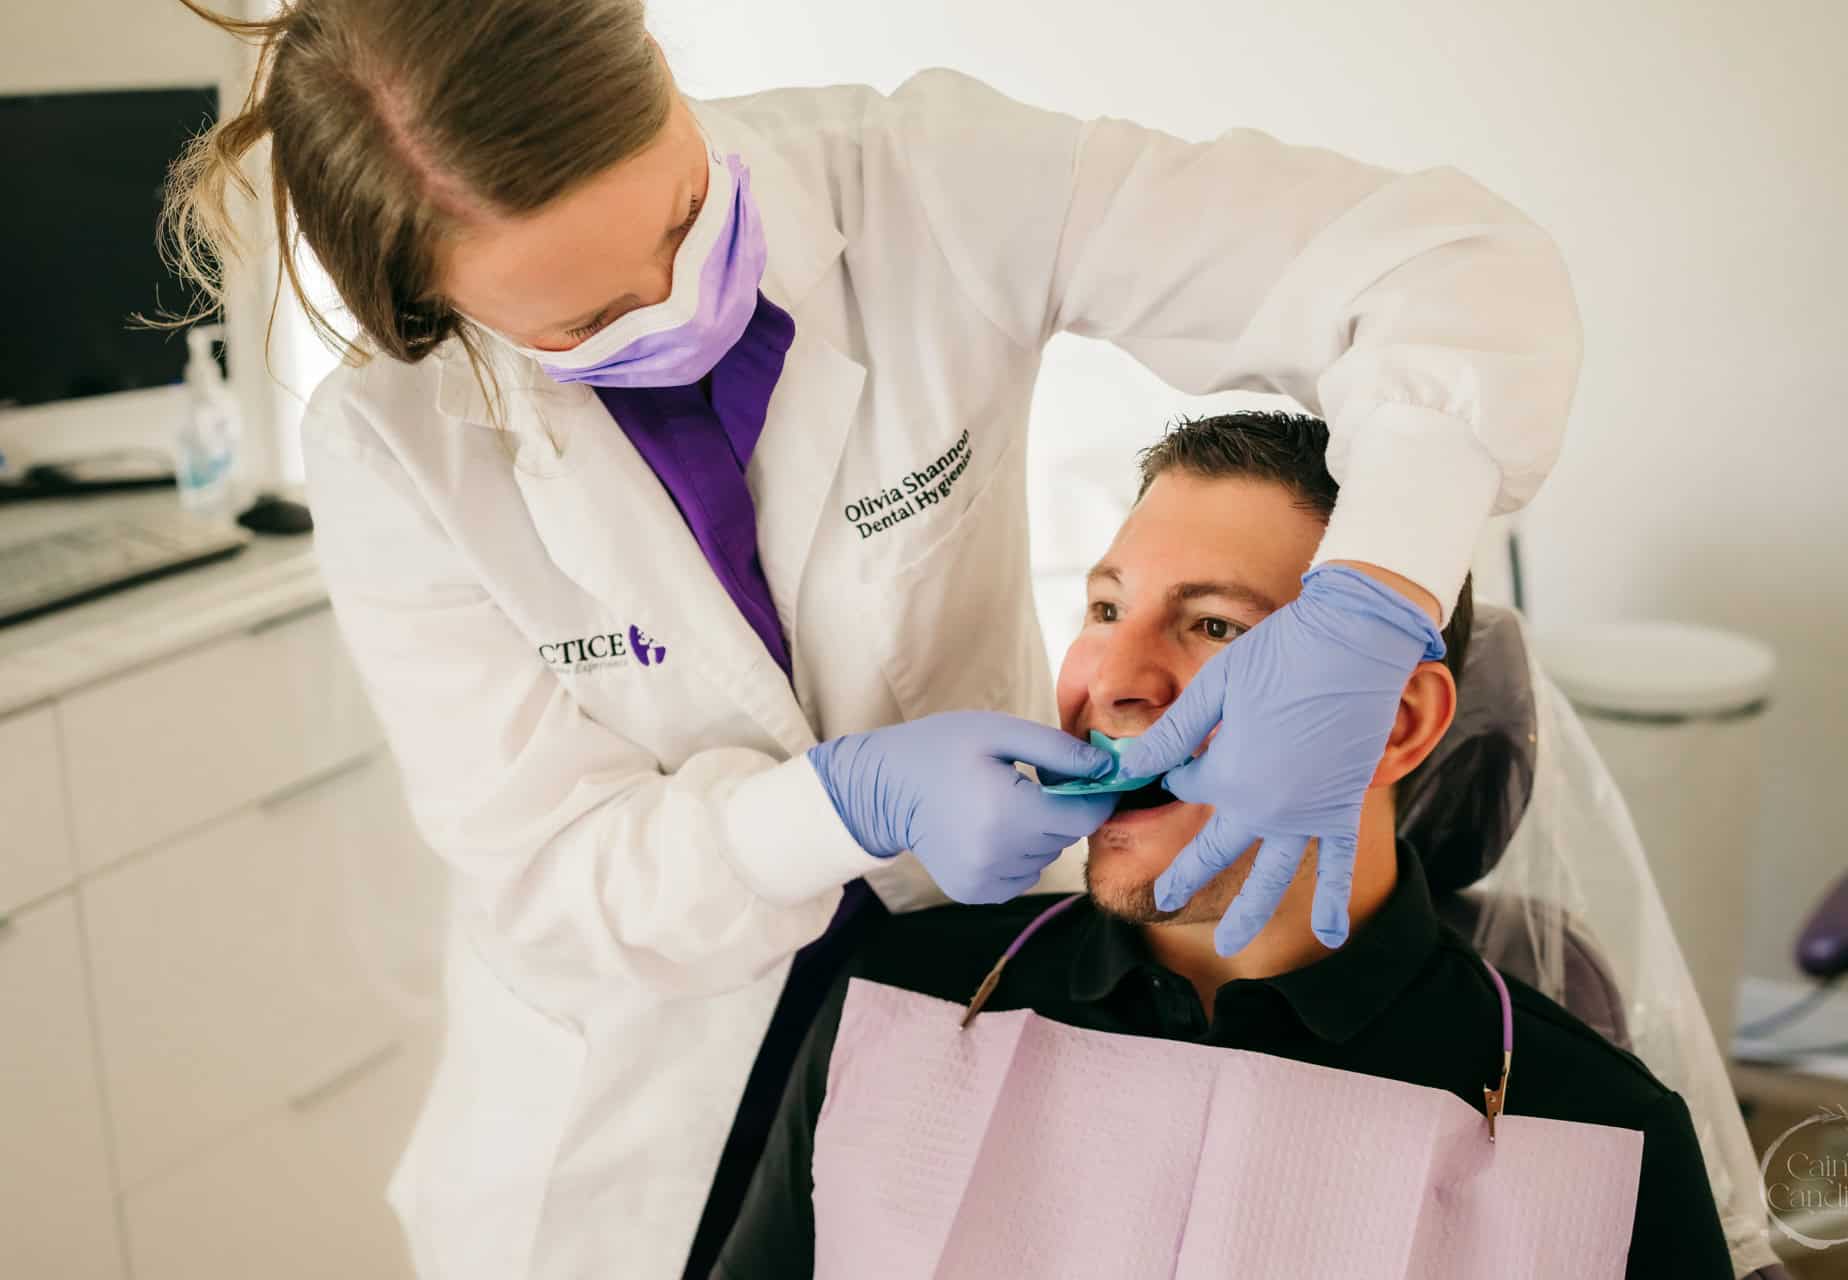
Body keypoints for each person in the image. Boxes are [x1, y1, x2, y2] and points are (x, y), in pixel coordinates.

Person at [162, 1, 1582, 1274]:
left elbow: (1455, 270)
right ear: (440, 314)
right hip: (641, 1083)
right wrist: (844, 809)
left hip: (967, 985)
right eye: (592, 318)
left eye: (680, 224)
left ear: (659, 64)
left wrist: (1369, 603)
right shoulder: (394, 450)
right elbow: (549, 869)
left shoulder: (932, 185)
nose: (673, 305)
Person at [716, 411, 1732, 1279]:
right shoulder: (907, 999)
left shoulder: (1598, 1127)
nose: (1115, 676)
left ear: (1393, 721)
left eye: (1215, 626)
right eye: (1106, 606)